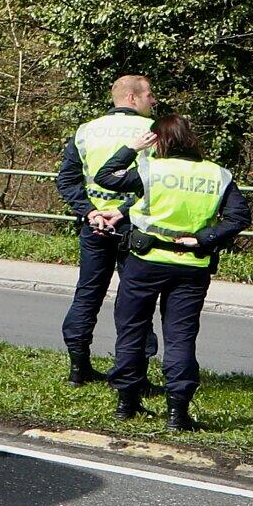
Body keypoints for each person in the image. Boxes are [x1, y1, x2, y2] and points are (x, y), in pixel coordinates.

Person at [93, 113, 249, 433]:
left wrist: (132, 148)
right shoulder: (217, 174)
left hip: (144, 262)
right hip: (192, 267)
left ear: (157, 140)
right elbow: (239, 217)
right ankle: (177, 414)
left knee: (132, 330)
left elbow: (105, 176)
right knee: (180, 338)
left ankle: (126, 403)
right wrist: (203, 238)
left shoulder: (150, 168)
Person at [55, 74, 156, 385]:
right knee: (135, 299)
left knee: (87, 294)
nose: (153, 101)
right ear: (131, 98)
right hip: (134, 226)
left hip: (94, 226)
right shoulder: (152, 131)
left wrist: (90, 212)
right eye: (149, 95)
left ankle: (78, 369)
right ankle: (132, 373)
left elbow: (67, 181)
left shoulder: (86, 131)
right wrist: (122, 211)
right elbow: (159, 183)